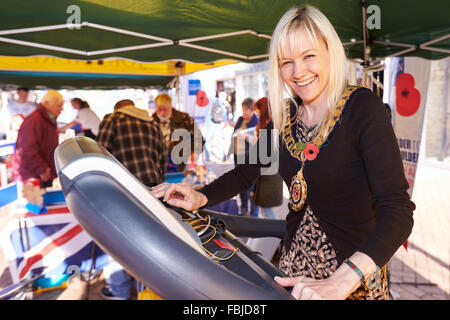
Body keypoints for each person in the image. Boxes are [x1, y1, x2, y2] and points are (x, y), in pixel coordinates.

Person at [152, 5, 414, 300]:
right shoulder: (284, 115)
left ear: (330, 51)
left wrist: (341, 282)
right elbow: (245, 172)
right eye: (286, 61)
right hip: (293, 275)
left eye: (308, 56)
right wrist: (200, 196)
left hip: (353, 282)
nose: (298, 72)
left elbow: (398, 212)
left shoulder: (361, 109)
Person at [97, 99, 168, 300]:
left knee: (118, 240)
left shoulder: (112, 119)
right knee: (148, 241)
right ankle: (149, 291)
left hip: (124, 191)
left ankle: (119, 291)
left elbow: (100, 153)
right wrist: (155, 185)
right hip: (152, 190)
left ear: (117, 108)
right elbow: (162, 157)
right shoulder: (152, 123)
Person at [12, 90, 63, 190]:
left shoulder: (48, 119)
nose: (62, 109)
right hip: (33, 175)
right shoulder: (35, 120)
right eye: (59, 105)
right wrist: (42, 169)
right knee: (35, 203)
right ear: (47, 104)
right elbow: (27, 149)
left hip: (41, 173)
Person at [152, 93, 204, 172]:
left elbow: (199, 138)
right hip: (159, 165)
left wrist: (195, 152)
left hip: (182, 164)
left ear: (170, 107)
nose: (162, 113)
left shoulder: (184, 119)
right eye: (159, 109)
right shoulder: (151, 121)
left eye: (165, 109)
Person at [250, 97, 283, 220]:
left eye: (257, 110)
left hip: (267, 175)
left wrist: (254, 143)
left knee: (266, 212)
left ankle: (278, 235)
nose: (256, 113)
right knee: (265, 211)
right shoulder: (272, 126)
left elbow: (263, 154)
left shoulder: (268, 128)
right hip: (269, 174)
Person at [227, 97, 259, 217]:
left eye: (247, 110)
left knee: (252, 186)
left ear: (253, 110)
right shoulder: (240, 120)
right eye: (243, 110)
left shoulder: (257, 122)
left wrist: (247, 137)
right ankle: (244, 208)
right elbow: (235, 133)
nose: (244, 113)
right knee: (241, 184)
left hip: (251, 158)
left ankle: (254, 214)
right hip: (238, 156)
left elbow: (260, 142)